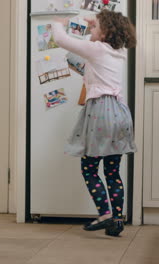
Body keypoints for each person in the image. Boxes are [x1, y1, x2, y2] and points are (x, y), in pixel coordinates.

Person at [52, 10, 137, 237]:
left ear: (106, 32)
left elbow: (61, 40)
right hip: (120, 114)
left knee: (89, 169)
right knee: (112, 171)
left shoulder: (97, 50)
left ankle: (105, 214)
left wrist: (58, 22)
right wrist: (94, 25)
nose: (91, 29)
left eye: (94, 27)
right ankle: (116, 220)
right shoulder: (117, 52)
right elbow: (90, 46)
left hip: (101, 112)